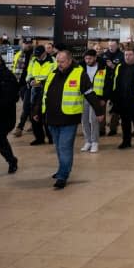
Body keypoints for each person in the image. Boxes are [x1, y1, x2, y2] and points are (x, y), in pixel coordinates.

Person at [33, 50, 104, 189]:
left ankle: (63, 176)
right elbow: (44, 94)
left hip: (69, 118)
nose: (59, 64)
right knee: (59, 147)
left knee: (65, 147)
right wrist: (37, 111)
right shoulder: (52, 74)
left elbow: (90, 94)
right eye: (58, 61)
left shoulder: (79, 74)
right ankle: (61, 169)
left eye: (62, 61)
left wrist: (99, 111)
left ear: (70, 61)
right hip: (52, 118)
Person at [109, 49, 134, 149]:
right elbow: (114, 82)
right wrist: (114, 97)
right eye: (126, 55)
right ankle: (126, 141)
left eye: (130, 54)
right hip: (122, 99)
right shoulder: (119, 66)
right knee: (125, 121)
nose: (127, 57)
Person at [26, 45, 55, 145]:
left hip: (47, 90)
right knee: (34, 114)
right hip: (35, 90)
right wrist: (30, 81)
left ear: (45, 53)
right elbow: (29, 72)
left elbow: (54, 76)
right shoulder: (33, 60)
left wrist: (42, 83)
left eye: (39, 55)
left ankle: (51, 137)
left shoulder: (53, 62)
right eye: (36, 55)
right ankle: (39, 138)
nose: (37, 57)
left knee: (46, 115)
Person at [80, 49, 106, 154]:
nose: (87, 60)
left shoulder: (103, 67)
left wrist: (104, 98)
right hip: (84, 97)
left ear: (95, 57)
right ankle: (88, 141)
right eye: (86, 58)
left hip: (97, 97)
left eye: (89, 58)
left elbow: (107, 84)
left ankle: (95, 142)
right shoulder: (80, 67)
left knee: (94, 120)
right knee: (84, 120)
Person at [100, 40, 124, 136]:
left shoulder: (122, 56)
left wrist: (113, 66)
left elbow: (123, 69)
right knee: (102, 107)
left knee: (115, 108)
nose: (111, 47)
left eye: (113, 45)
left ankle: (113, 128)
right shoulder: (104, 55)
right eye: (109, 45)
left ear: (117, 46)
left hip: (116, 84)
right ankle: (101, 129)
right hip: (104, 84)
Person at [12, 37, 34, 137]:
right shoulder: (18, 55)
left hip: (30, 84)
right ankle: (34, 123)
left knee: (26, 105)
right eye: (26, 43)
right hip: (20, 85)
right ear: (22, 43)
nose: (28, 45)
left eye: (29, 43)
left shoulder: (35, 55)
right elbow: (14, 69)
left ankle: (20, 127)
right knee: (28, 105)